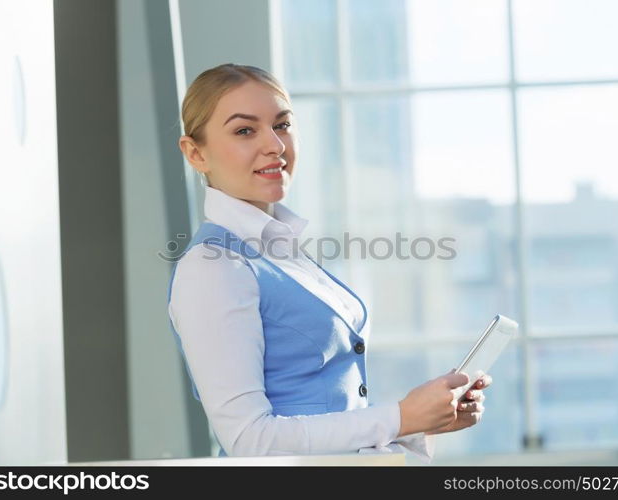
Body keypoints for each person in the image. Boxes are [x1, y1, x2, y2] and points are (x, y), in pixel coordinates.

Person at [167, 63, 492, 460]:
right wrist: (400, 417)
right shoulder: (213, 268)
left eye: (282, 125)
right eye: (245, 130)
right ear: (195, 153)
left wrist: (421, 422)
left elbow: (330, 416)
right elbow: (249, 441)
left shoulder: (283, 251)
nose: (275, 145)